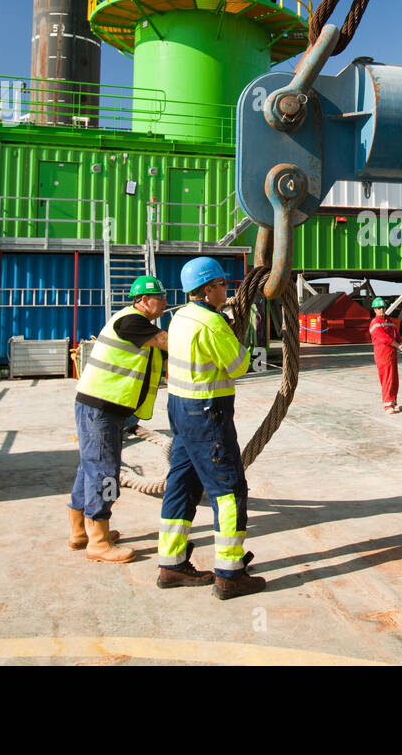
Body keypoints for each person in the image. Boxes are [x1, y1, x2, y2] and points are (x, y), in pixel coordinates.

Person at [158, 256, 264, 599]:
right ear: (207, 290)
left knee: (182, 484)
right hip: (207, 414)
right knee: (229, 489)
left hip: (179, 409)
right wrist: (239, 334)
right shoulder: (213, 324)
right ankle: (230, 572)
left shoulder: (179, 318)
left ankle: (171, 563)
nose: (226, 289)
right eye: (221, 285)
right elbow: (238, 366)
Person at [70, 275, 169, 563]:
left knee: (88, 468)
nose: (164, 300)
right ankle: (99, 542)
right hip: (100, 408)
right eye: (159, 296)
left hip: (106, 408)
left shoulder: (135, 322)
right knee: (104, 472)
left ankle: (80, 532)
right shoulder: (131, 322)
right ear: (143, 300)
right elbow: (168, 343)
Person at [368, 297, 402, 414]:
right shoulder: (375, 324)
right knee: (387, 379)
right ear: (374, 310)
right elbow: (385, 339)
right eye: (378, 308)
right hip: (382, 354)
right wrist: (399, 346)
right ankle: (387, 405)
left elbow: (397, 336)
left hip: (392, 354)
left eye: (383, 307)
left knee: (394, 379)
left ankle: (393, 403)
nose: (381, 310)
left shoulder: (389, 321)